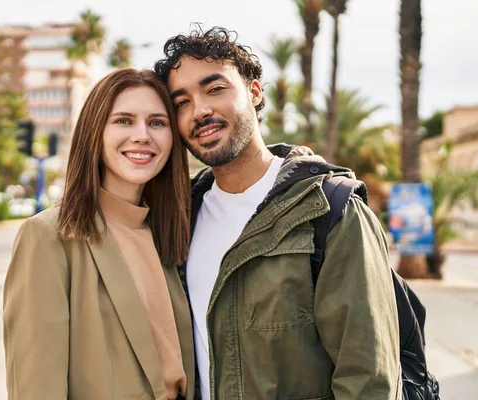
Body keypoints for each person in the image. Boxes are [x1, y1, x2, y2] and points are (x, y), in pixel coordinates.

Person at [154, 27, 401, 400]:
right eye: (181, 102)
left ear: (254, 93)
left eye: (215, 89)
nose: (200, 110)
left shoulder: (330, 209)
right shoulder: (180, 216)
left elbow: (370, 381)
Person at [3, 69, 195, 400]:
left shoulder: (168, 232)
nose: (142, 135)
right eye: (123, 120)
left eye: (157, 122)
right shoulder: (49, 237)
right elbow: (36, 387)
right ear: (95, 133)